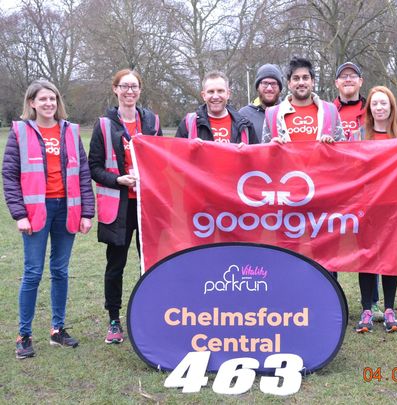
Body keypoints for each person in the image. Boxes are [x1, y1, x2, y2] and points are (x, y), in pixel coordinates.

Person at [2, 79, 95, 359]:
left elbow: (83, 174)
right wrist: (19, 214)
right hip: (35, 212)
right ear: (32, 103)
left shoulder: (70, 131)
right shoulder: (19, 132)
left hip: (67, 209)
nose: (48, 104)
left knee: (60, 271)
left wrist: (87, 212)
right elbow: (9, 175)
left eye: (52, 99)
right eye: (42, 99)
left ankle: (57, 330)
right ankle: (24, 335)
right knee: (32, 273)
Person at [88, 69, 162, 344]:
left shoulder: (152, 121)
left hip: (148, 205)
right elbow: (93, 167)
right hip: (118, 206)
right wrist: (118, 179)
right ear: (115, 90)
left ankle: (151, 313)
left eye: (134, 86)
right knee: (115, 265)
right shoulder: (104, 125)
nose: (129, 91)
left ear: (140, 90)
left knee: (150, 262)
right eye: (124, 86)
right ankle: (114, 320)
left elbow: (164, 159)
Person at [354, 86, 397, 334]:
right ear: (369, 109)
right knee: (366, 257)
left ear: (391, 107)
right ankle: (367, 309)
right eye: (375, 104)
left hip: (395, 208)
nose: (379, 108)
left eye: (383, 103)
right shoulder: (359, 136)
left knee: (390, 257)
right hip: (366, 208)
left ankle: (389, 309)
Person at [261, 56, 345, 143]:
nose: (301, 83)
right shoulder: (272, 114)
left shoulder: (331, 111)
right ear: (289, 84)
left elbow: (343, 150)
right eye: (296, 78)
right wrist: (271, 147)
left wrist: (332, 145)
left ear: (312, 82)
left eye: (305, 78)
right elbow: (263, 153)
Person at [176, 71, 258, 144]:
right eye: (211, 91)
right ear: (204, 95)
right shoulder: (189, 124)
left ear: (228, 94)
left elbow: (256, 157)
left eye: (220, 91)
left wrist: (246, 155)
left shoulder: (245, 126)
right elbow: (175, 157)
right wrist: (190, 150)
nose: (215, 96)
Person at [239, 64, 283, 142]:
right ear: (257, 87)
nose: (269, 88)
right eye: (265, 83)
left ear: (280, 88)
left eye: (273, 84)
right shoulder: (243, 115)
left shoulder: (287, 112)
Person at [333, 61, 367, 140]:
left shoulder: (371, 111)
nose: (348, 79)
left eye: (353, 76)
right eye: (343, 76)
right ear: (337, 83)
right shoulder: (326, 112)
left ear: (360, 82)